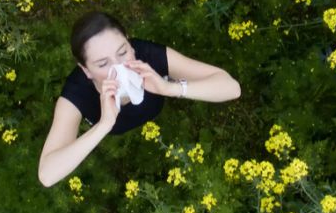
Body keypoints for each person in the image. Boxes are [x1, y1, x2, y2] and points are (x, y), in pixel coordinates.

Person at [38, 11, 241, 187]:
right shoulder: (77, 93)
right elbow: (47, 175)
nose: (120, 67)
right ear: (86, 70)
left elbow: (231, 88)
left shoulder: (148, 56)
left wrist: (171, 88)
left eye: (123, 52)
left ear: (130, 43)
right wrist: (104, 125)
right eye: (102, 64)